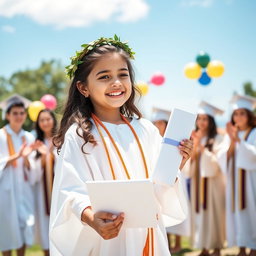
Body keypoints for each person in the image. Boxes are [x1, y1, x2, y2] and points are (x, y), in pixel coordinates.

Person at [49, 35, 193, 256]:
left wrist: (175, 164)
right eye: (104, 76)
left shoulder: (146, 129)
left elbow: (159, 184)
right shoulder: (80, 135)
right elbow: (70, 190)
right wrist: (91, 218)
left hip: (149, 234)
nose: (116, 82)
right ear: (83, 87)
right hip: (106, 235)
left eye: (122, 75)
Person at [185, 101, 226, 256]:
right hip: (198, 182)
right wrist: (194, 147)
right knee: (200, 214)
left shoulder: (218, 138)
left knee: (214, 214)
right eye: (199, 119)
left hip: (213, 182)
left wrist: (201, 147)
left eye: (205, 119)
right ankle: (204, 247)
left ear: (211, 121)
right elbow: (192, 161)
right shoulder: (196, 137)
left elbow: (217, 162)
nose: (201, 122)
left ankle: (216, 247)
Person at [0, 94, 38, 256]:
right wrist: (16, 156)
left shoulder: (29, 137)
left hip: (24, 190)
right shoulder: (0, 136)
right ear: (7, 115)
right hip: (6, 190)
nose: (19, 116)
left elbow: (33, 168)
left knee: (24, 227)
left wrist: (28, 159)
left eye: (22, 113)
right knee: (7, 230)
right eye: (15, 113)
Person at [221, 94, 256, 256]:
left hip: (251, 180)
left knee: (252, 210)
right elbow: (224, 157)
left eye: (242, 113)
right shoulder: (232, 135)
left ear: (249, 115)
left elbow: (253, 155)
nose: (238, 116)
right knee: (239, 212)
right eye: (236, 113)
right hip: (236, 180)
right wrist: (233, 141)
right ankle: (242, 246)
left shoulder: (254, 133)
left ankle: (253, 246)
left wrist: (237, 140)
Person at [152, 107, 191, 253]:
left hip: (174, 180)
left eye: (160, 122)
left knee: (174, 208)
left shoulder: (173, 141)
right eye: (155, 122)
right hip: (157, 184)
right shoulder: (153, 141)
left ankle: (178, 243)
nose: (157, 125)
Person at [29, 109, 58, 256]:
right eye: (42, 120)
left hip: (58, 191)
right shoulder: (36, 145)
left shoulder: (62, 140)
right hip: (43, 193)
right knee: (45, 228)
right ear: (38, 124)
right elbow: (33, 176)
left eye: (48, 119)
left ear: (53, 120)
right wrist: (42, 156)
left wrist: (51, 152)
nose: (45, 122)